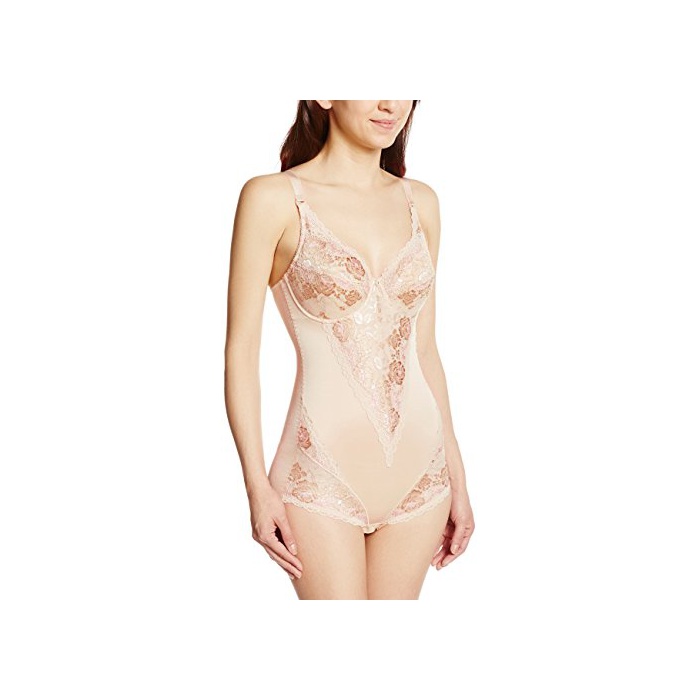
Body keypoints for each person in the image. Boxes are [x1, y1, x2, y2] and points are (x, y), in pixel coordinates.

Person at [224, 100, 474, 599]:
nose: (390, 104)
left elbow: (425, 350)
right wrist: (256, 486)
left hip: (422, 476)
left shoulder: (421, 203)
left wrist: (458, 478)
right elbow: (241, 354)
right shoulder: (273, 198)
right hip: (319, 475)